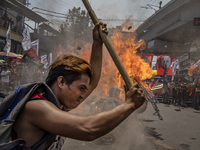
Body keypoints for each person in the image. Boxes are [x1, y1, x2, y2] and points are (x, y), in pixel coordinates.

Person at [12, 23, 146, 150]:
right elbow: (88, 130)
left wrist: (97, 43)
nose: (83, 95)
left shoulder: (59, 105)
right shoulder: (37, 107)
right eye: (81, 88)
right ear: (61, 82)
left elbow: (93, 81)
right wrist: (130, 105)